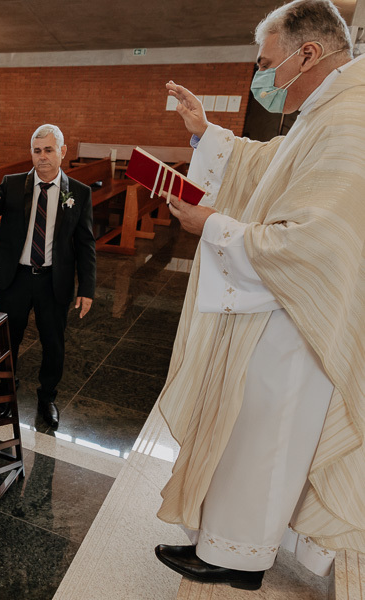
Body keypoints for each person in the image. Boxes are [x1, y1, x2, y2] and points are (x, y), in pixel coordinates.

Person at [153, 0, 364, 590]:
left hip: (298, 321)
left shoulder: (352, 119)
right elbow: (274, 167)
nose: (261, 77)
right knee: (251, 429)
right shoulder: (330, 109)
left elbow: (314, 242)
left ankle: (240, 558)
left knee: (267, 437)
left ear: (308, 53)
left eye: (267, 62)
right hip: (279, 313)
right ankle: (231, 542)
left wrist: (213, 228)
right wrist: (204, 132)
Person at [0, 125, 95, 429]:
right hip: (17, 278)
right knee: (8, 339)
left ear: (62, 151)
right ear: (31, 153)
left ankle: (47, 398)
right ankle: (4, 392)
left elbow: (85, 243)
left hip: (55, 281)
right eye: (37, 151)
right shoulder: (13, 185)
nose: (42, 157)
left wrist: (87, 287)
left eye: (49, 150)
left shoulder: (78, 193)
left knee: (53, 343)